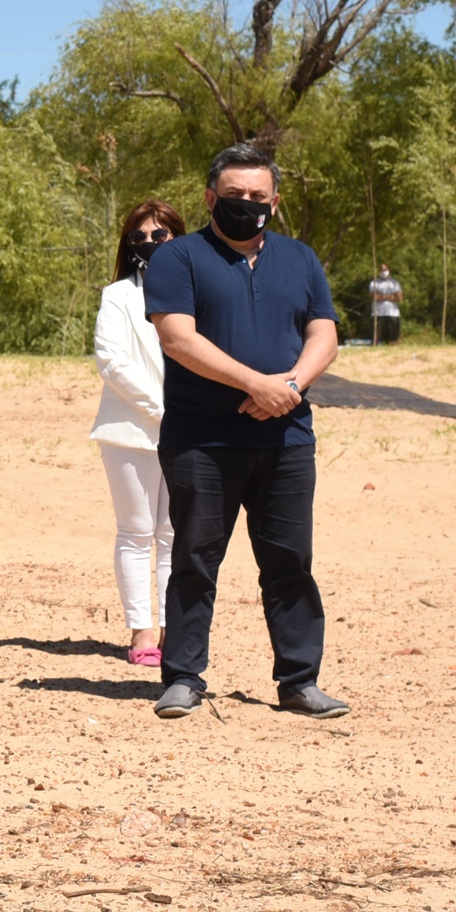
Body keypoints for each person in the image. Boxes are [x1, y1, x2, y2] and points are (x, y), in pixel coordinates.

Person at [143, 142, 347, 720]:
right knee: (195, 557)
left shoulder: (301, 258)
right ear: (211, 198)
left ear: (275, 202)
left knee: (289, 561)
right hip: (202, 440)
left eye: (258, 196)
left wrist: (289, 387)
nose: (247, 204)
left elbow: (324, 334)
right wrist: (255, 384)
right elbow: (177, 337)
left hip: (286, 440)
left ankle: (299, 681)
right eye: (234, 196)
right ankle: (183, 677)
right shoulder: (178, 258)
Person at [91, 201, 184, 667]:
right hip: (129, 430)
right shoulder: (117, 296)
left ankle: (173, 627)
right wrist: (161, 409)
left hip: (189, 429)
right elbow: (111, 361)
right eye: (139, 237)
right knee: (136, 532)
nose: (149, 243)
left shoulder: (195, 293)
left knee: (173, 534)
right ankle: (141, 630)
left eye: (160, 235)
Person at [369, 264, 402, 344]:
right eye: (382, 270)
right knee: (376, 335)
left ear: (388, 270)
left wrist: (382, 296)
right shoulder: (374, 283)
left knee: (394, 335)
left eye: (385, 270)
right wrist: (391, 296)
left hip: (393, 312)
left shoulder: (395, 283)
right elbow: (375, 297)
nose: (384, 272)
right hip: (378, 312)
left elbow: (399, 297)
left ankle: (395, 346)